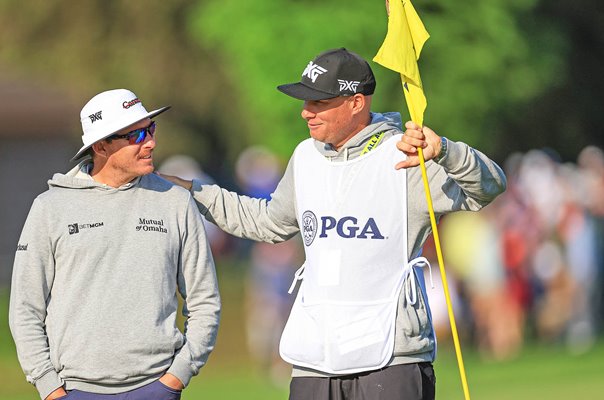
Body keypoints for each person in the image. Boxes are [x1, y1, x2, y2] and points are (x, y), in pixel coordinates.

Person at [163, 48, 506, 400]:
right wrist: (195, 191)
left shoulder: (407, 156)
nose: (305, 112)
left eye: (318, 103)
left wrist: (447, 151)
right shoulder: (305, 156)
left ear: (356, 102)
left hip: (392, 357)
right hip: (315, 360)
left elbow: (489, 188)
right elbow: (268, 222)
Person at [9, 89, 221, 400]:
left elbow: (204, 300)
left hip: (157, 388)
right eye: (135, 134)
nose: (150, 142)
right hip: (74, 391)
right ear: (100, 145)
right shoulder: (50, 207)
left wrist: (178, 375)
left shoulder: (175, 202)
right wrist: (48, 387)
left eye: (150, 129)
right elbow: (25, 308)